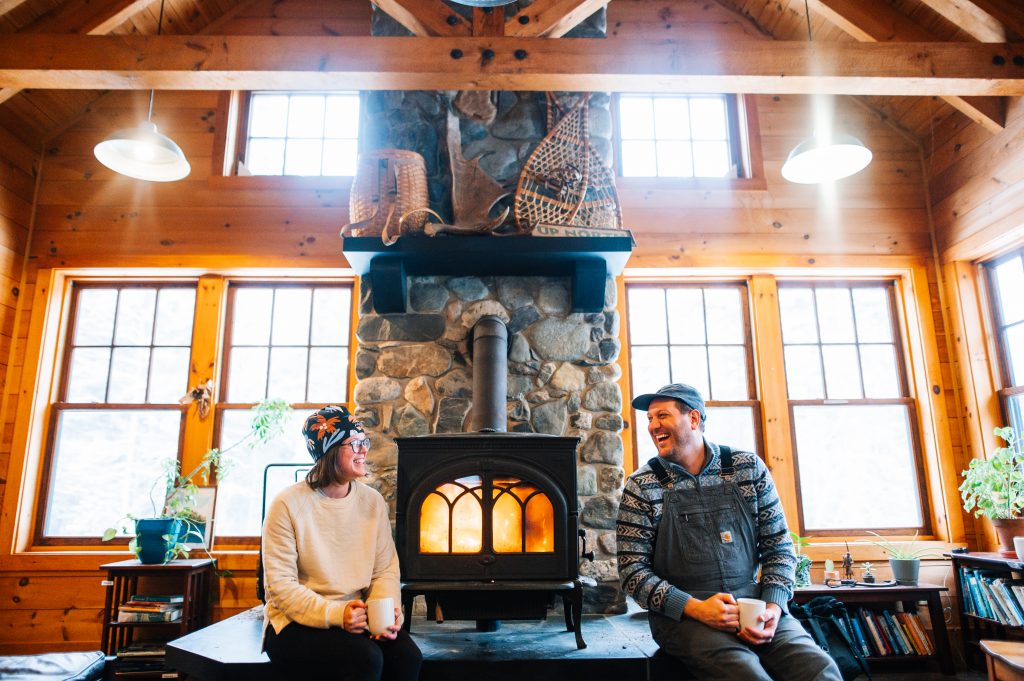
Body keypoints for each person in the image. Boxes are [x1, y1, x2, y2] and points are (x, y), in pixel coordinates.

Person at [617, 384, 841, 681]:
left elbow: (779, 548)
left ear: (694, 419)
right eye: (649, 418)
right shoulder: (642, 485)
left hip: (754, 606)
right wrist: (696, 609)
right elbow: (632, 573)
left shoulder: (747, 469)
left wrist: (774, 605)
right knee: (746, 674)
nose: (652, 425)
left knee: (819, 669)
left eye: (662, 416)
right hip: (683, 617)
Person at [262, 405, 422, 681]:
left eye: (365, 441)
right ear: (330, 452)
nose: (364, 450)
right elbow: (281, 588)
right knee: (364, 659)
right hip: (294, 622)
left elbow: (384, 570)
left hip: (358, 615)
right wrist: (337, 614)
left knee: (407, 656)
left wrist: (386, 611)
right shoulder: (287, 504)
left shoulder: (372, 502)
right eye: (354, 443)